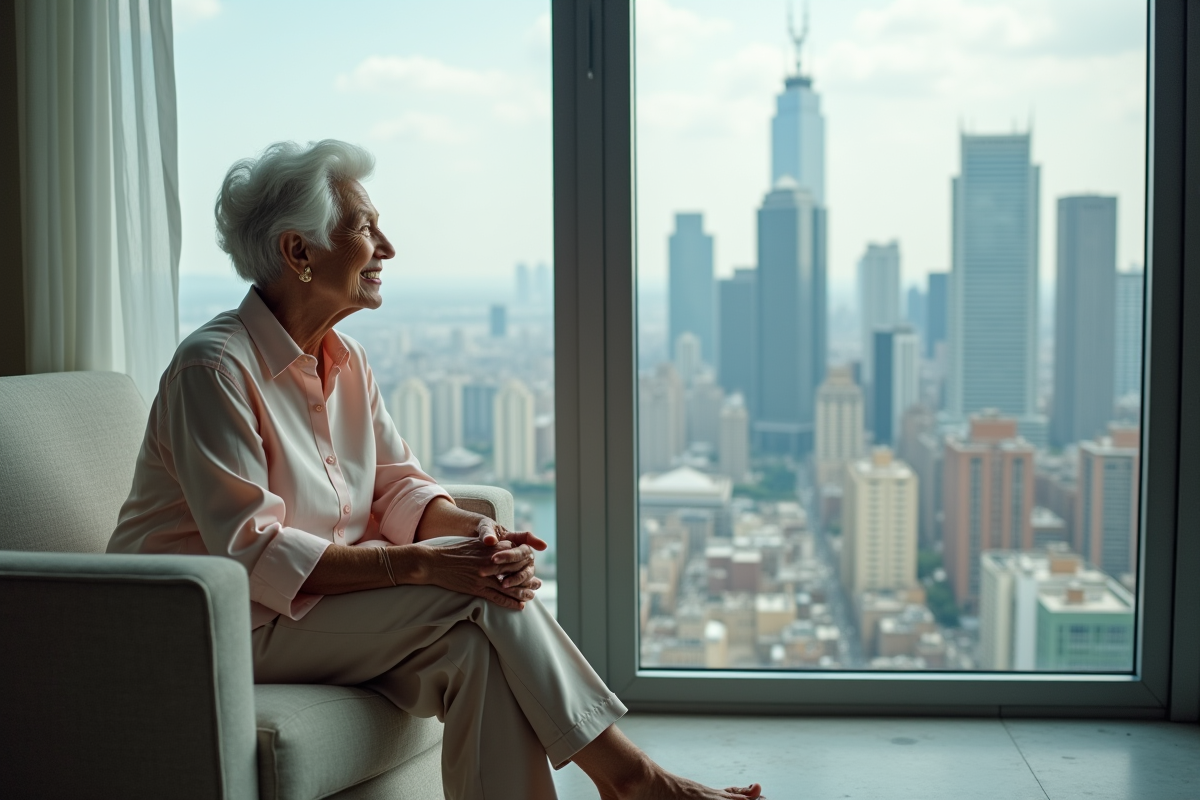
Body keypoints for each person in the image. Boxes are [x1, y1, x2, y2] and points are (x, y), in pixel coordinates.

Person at [108, 140, 764, 800]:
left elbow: (400, 489)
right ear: (298, 252)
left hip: (306, 616)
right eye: (365, 227)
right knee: (467, 595)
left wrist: (476, 539)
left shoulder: (348, 361)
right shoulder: (213, 371)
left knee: (474, 655)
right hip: (213, 628)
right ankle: (634, 780)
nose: (386, 247)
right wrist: (429, 564)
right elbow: (254, 555)